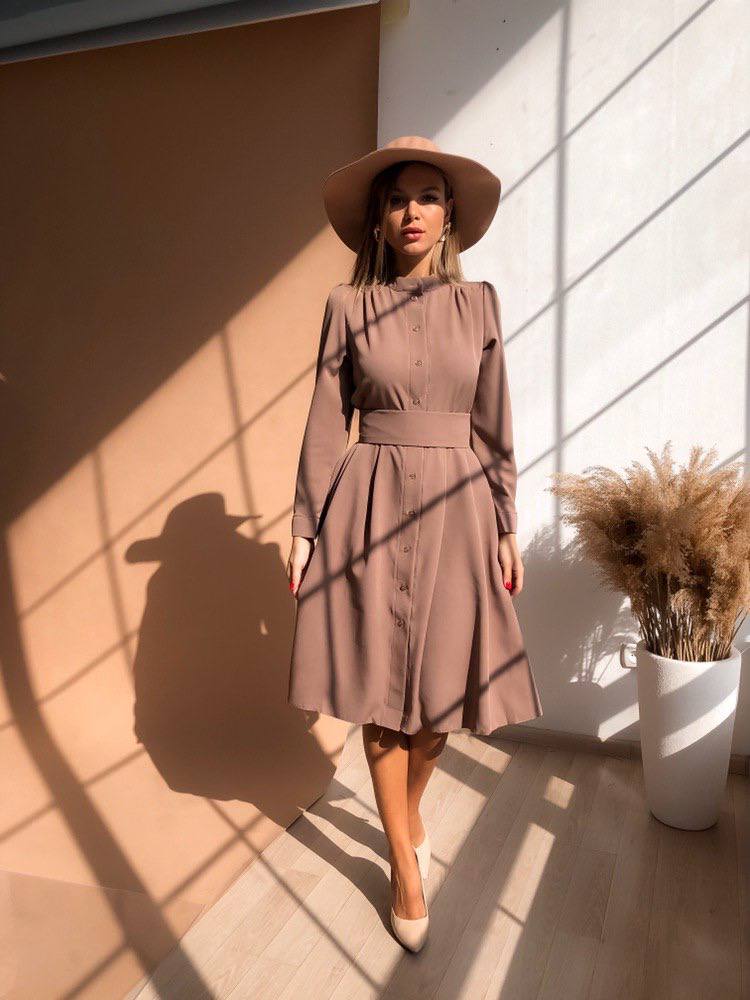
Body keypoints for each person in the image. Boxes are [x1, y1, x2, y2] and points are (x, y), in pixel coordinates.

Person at [285, 136, 543, 951]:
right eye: (398, 199)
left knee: (434, 706)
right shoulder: (346, 307)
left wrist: (506, 520)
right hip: (367, 502)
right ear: (379, 219)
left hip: (461, 505)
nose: (413, 212)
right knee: (376, 691)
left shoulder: (482, 306)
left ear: (450, 214)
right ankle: (404, 863)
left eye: (428, 197)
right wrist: (303, 525)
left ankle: (405, 813)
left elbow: (495, 424)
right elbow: (328, 424)